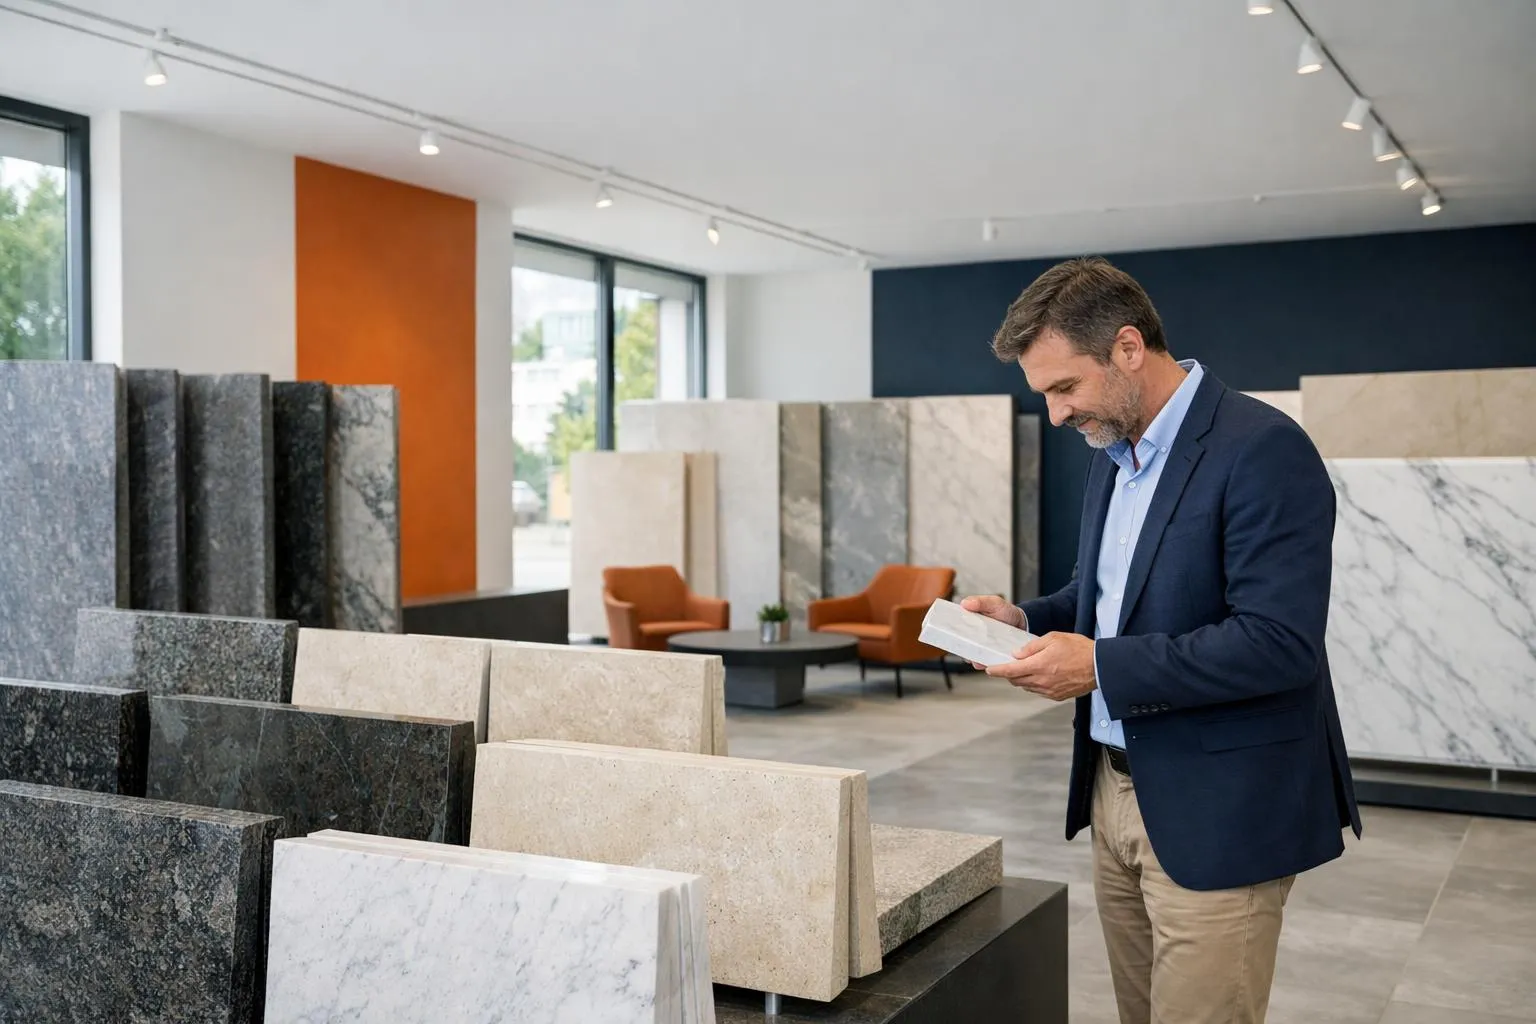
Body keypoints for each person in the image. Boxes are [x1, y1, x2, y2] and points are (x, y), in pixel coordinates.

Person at [961, 257, 1360, 1024]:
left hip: (1218, 810)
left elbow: (1279, 644)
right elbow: (1105, 598)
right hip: (1113, 792)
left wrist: (1100, 666)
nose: (1054, 414)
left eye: (1063, 388)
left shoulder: (1262, 448)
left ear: (1128, 348)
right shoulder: (1113, 454)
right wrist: (1025, 619)